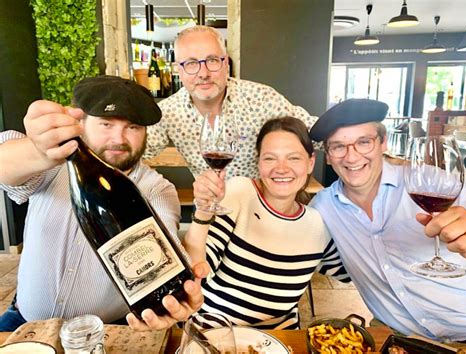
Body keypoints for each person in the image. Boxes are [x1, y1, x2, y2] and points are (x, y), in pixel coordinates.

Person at [0, 76, 206, 332]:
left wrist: (178, 295)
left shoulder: (157, 189)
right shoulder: (52, 167)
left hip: (107, 330)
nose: (118, 138)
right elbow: (3, 164)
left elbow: (165, 249)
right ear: (80, 124)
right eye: (106, 124)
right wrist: (40, 150)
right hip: (24, 322)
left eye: (132, 127)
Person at [308, 98, 466, 342]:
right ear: (329, 156)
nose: (352, 157)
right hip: (398, 339)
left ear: (383, 143)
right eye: (338, 147)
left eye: (364, 142)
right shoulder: (323, 207)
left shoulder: (428, 182)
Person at [182, 117, 349, 329]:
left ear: (310, 163)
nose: (281, 168)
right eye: (270, 158)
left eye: (294, 158)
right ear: (258, 162)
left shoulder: (318, 223)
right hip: (214, 335)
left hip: (279, 341)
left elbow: (352, 274)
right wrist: (203, 211)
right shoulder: (240, 192)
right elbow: (197, 270)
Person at [144, 25, 317, 179]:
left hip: (259, 206)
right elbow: (136, 151)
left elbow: (314, 132)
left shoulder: (260, 98)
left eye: (212, 60)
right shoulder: (166, 112)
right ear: (179, 70)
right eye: (191, 63)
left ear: (225, 63)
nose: (203, 73)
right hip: (209, 206)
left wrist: (342, 150)